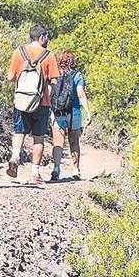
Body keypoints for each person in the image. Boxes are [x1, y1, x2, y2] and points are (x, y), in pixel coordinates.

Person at [6, 24, 58, 184]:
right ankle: (34, 173)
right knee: (38, 137)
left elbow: (10, 77)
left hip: (21, 100)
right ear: (42, 37)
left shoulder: (18, 52)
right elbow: (54, 80)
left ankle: (15, 155)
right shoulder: (48, 55)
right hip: (41, 102)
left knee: (19, 131)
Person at [50, 51, 91, 182]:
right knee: (74, 142)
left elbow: (49, 92)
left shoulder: (55, 74)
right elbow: (80, 94)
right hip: (74, 113)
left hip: (58, 112)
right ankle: (76, 170)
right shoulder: (77, 75)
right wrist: (88, 112)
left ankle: (56, 169)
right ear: (73, 61)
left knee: (58, 142)